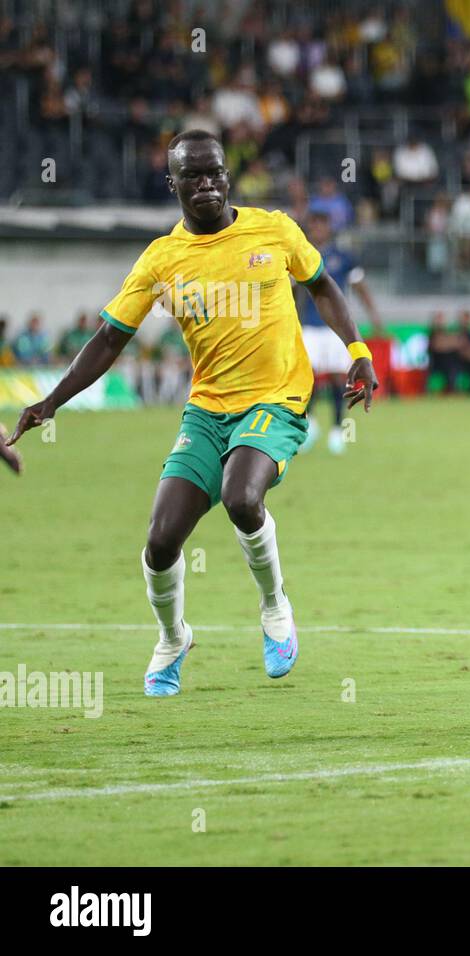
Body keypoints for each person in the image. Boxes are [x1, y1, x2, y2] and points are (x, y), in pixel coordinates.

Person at [6, 130, 379, 697]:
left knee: (241, 496)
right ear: (172, 184)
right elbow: (110, 338)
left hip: (276, 398)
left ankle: (276, 607)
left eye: (215, 173)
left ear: (228, 176)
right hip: (207, 409)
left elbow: (322, 284)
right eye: (193, 175)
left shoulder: (274, 229)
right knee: (160, 541)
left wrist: (357, 350)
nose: (206, 184)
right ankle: (173, 638)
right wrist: (50, 401)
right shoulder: (162, 259)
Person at [297, 211, 384, 454]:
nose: (317, 230)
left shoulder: (343, 257)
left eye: (321, 225)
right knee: (308, 379)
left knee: (338, 378)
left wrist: (373, 315)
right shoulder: (301, 254)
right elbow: (292, 292)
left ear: (328, 228)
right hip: (309, 327)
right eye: (313, 225)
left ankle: (336, 430)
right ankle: (309, 424)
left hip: (336, 329)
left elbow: (359, 287)